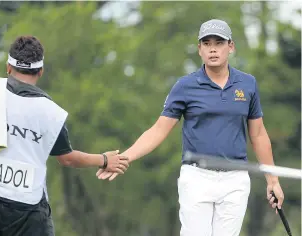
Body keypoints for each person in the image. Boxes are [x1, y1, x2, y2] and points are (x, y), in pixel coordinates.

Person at [96, 19, 284, 236]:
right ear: (199, 49)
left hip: (235, 179)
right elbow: (159, 130)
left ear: (231, 46)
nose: (213, 48)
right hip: (197, 178)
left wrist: (273, 180)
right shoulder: (185, 86)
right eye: (206, 43)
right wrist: (125, 157)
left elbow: (258, 134)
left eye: (219, 42)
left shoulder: (247, 84)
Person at [0, 27, 129, 236]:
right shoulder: (51, 112)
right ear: (40, 71)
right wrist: (104, 159)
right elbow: (67, 159)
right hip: (25, 206)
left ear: (8, 67)